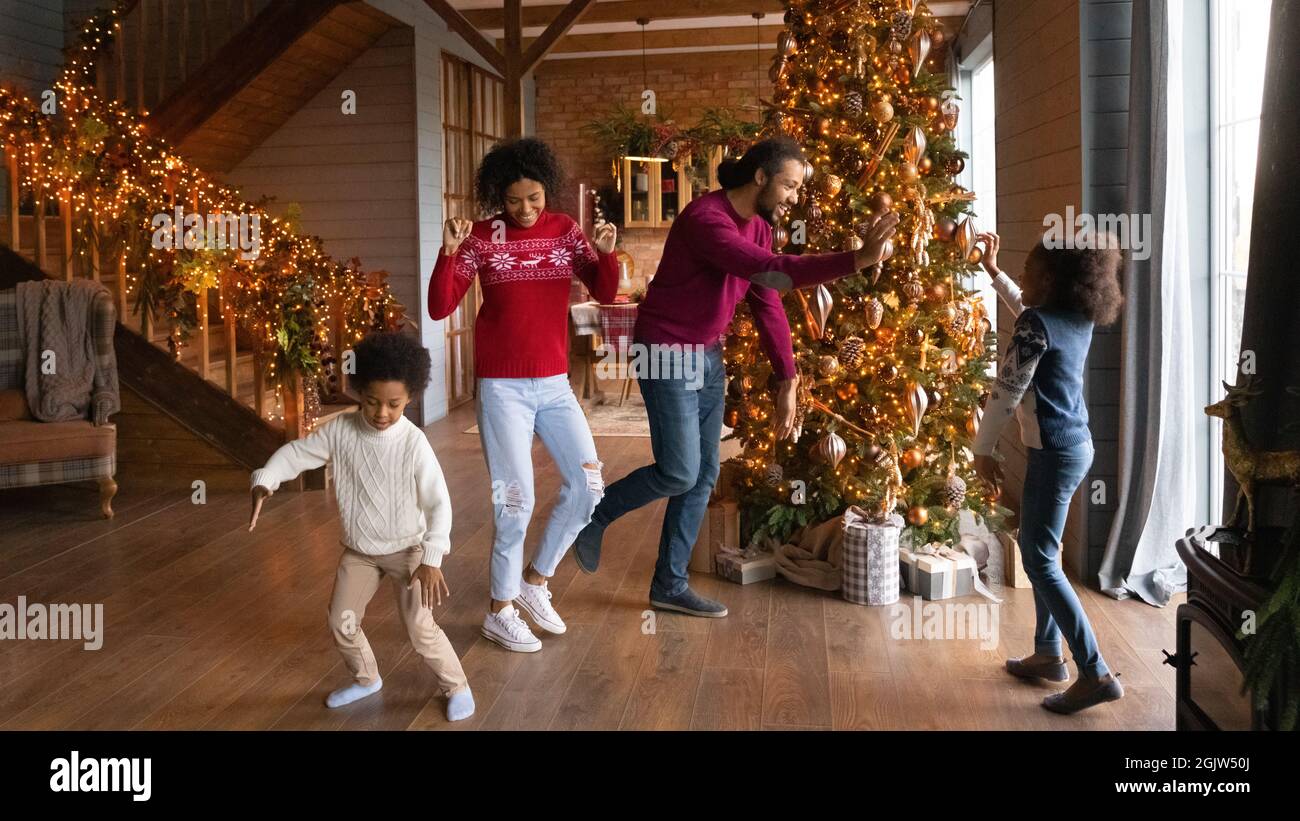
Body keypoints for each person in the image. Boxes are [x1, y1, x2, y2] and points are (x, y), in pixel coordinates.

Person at [570, 136, 899, 617]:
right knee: (679, 471)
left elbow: (767, 300)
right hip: (665, 350)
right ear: (760, 176)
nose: (793, 197)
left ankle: (669, 586)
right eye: (789, 185)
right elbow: (773, 270)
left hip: (707, 354)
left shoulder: (760, 227)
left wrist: (788, 380)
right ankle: (595, 513)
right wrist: (857, 260)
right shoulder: (707, 219)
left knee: (703, 474)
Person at [428, 137, 619, 653]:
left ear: (546, 190)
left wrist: (605, 255)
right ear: (499, 196)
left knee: (588, 487)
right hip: (502, 387)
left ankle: (535, 582)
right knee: (516, 500)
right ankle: (499, 610)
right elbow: (440, 308)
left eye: (534, 198)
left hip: (555, 385)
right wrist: (448, 253)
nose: (526, 209)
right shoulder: (481, 237)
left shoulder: (565, 231)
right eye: (514, 200)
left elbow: (604, 291)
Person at [248, 331, 474, 720]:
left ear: (410, 397)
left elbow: (439, 503)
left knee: (420, 628)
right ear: (359, 392)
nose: (382, 413)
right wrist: (266, 479)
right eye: (372, 401)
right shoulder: (341, 431)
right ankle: (366, 678)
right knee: (342, 620)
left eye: (394, 404)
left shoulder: (414, 443)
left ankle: (457, 686)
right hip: (360, 550)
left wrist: (431, 557)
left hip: (409, 550)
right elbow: (299, 453)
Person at [973, 229, 1126, 714]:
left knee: (1038, 559)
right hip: (1076, 447)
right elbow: (1028, 312)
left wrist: (982, 449)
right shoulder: (1073, 315)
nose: (1022, 273)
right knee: (1044, 551)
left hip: (1055, 454)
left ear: (1052, 280)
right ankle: (1047, 653)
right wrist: (994, 273)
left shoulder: (1038, 323)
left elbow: (1007, 390)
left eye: (1030, 269)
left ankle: (1095, 672)